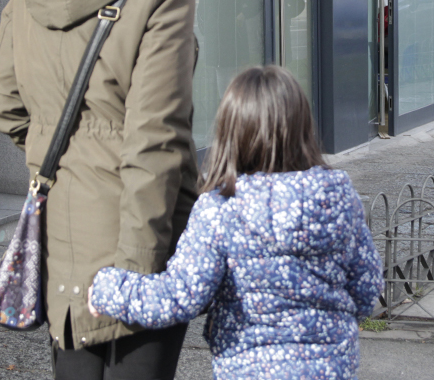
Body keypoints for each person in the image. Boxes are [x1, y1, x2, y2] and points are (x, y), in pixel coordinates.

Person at [0, 0, 200, 379]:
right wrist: (137, 273)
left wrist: (60, 153)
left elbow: (4, 104)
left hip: (60, 228)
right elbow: (157, 140)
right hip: (140, 234)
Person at [88, 65, 383, 380]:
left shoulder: (220, 209)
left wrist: (108, 289)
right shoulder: (339, 197)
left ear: (232, 132)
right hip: (331, 369)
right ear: (302, 126)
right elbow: (367, 292)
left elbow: (180, 296)